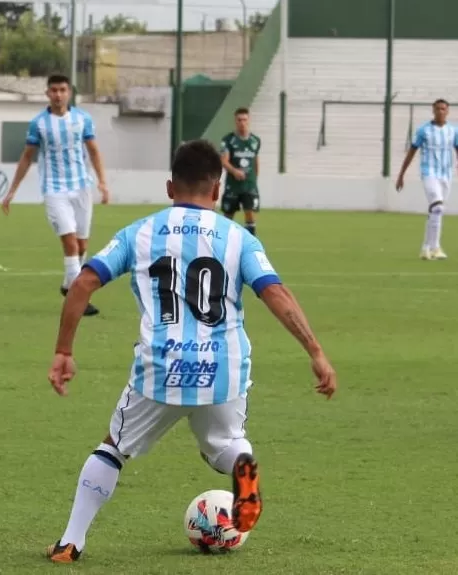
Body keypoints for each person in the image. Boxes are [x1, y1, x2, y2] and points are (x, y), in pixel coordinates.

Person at [43, 140, 337, 563]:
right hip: (224, 366)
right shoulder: (238, 238)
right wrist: (315, 350)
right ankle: (242, 467)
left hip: (162, 366)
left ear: (169, 187)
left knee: (114, 447)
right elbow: (274, 292)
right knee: (225, 444)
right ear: (217, 190)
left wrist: (63, 351)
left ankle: (71, 543)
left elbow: (84, 283)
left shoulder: (140, 232)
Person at [1, 74, 110, 316]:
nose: (58, 94)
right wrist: (12, 190)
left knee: (82, 245)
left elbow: (93, 151)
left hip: (81, 186)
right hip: (54, 189)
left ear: (69, 92)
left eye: (62, 90)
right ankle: (77, 296)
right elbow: (27, 157)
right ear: (47, 93)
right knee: (70, 243)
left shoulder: (83, 119)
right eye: (54, 90)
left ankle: (67, 284)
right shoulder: (38, 123)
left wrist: (102, 182)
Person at [395, 98, 458, 260]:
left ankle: (425, 247)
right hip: (429, 173)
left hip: (446, 174)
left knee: (436, 211)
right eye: (437, 109)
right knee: (437, 207)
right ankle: (435, 247)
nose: (440, 111)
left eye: (443, 109)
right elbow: (412, 151)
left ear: (448, 111)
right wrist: (401, 174)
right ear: (433, 110)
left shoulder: (453, 130)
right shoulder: (424, 130)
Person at [219, 108, 261, 236]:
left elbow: (256, 161)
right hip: (233, 185)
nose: (242, 122)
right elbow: (224, 161)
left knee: (250, 213)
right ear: (235, 121)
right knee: (228, 214)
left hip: (249, 185)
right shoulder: (228, 140)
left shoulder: (255, 140)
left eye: (244, 119)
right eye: (239, 120)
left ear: (249, 120)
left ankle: (250, 242)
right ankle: (224, 241)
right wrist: (235, 171)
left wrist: (254, 180)